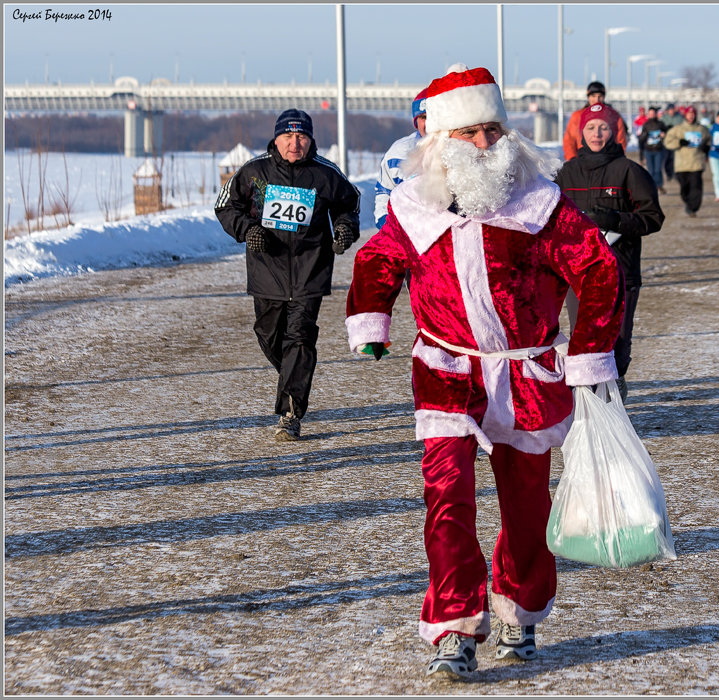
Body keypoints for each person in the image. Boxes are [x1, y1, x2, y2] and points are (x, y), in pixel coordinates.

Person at [344, 65, 624, 679]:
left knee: (526, 505)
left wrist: (588, 352)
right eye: (468, 132)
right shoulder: (414, 207)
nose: (483, 144)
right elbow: (377, 261)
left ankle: (520, 612)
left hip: (526, 374)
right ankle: (454, 626)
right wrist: (371, 321)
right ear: (440, 139)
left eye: (492, 130)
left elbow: (600, 270)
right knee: (447, 499)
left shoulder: (540, 206)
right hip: (445, 370)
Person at [215, 109, 361, 441]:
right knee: (269, 335)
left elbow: (349, 204)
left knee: (300, 339)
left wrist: (343, 228)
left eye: (302, 137)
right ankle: (295, 375)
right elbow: (225, 206)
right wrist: (248, 229)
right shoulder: (254, 172)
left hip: (311, 270)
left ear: (311, 139)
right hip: (268, 271)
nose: (295, 144)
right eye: (288, 137)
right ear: (276, 138)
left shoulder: (325, 173)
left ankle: (290, 413)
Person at [555, 102, 664, 399]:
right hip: (578, 275)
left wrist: (614, 220)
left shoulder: (630, 172)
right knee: (583, 342)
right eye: (590, 127)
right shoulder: (566, 173)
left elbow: (654, 217)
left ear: (614, 132)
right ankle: (591, 405)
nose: (597, 133)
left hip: (622, 273)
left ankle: (616, 389)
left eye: (603, 127)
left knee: (617, 344)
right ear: (581, 132)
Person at [374, 88, 427, 229]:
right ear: (416, 121)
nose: (429, 124)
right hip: (406, 238)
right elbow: (384, 193)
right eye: (424, 117)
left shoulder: (461, 150)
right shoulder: (398, 153)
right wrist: (385, 225)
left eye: (435, 117)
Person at [562, 80, 628, 161]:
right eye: (593, 96)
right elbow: (569, 139)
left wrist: (619, 159)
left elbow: (620, 139)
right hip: (583, 161)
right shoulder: (578, 116)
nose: (597, 99)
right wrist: (572, 158)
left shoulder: (613, 115)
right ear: (588, 96)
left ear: (604, 97)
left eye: (600, 96)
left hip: (607, 160)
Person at [665, 106, 712, 217]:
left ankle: (693, 208)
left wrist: (706, 147)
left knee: (696, 187)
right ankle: (688, 203)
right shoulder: (678, 129)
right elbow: (667, 142)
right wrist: (679, 142)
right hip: (682, 164)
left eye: (693, 113)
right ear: (685, 115)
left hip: (696, 163)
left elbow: (709, 140)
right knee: (684, 189)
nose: (691, 116)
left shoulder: (702, 129)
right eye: (689, 114)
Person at [639, 106, 668, 194]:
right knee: (651, 170)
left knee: (658, 169)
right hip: (648, 151)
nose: (651, 115)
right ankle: (652, 186)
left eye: (653, 113)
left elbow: (667, 134)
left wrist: (664, 135)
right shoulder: (646, 125)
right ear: (648, 114)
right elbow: (641, 140)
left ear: (656, 114)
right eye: (650, 113)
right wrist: (641, 156)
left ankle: (659, 185)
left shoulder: (661, 124)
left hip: (658, 150)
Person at [660, 104, 683, 180]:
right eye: (670, 110)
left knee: (675, 158)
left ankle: (675, 174)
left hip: (676, 141)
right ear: (667, 110)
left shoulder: (679, 118)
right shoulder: (664, 118)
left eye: (672, 110)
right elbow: (659, 127)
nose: (671, 111)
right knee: (667, 158)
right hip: (667, 141)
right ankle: (668, 174)